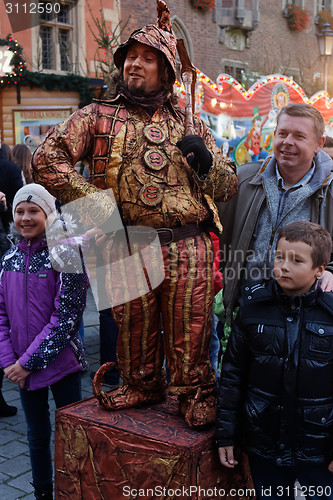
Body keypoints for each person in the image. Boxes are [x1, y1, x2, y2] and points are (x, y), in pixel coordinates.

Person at [32, 3, 238, 428]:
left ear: (166, 70)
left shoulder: (190, 121)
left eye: (148, 58)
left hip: (187, 241)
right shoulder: (96, 116)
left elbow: (228, 187)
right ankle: (142, 383)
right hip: (125, 241)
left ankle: (195, 391)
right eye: (130, 56)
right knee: (133, 326)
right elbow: (46, 159)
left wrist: (207, 162)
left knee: (192, 326)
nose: (135, 63)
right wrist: (99, 211)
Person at [216, 221, 333, 499]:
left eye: (296, 260)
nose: (284, 266)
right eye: (279, 256)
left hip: (317, 446)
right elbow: (232, 375)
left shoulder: (330, 316)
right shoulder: (253, 307)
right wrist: (226, 435)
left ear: (319, 269)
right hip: (263, 442)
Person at [0, 184, 89, 500]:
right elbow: (1, 316)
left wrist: (25, 363)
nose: (25, 218)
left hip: (61, 364)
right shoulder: (9, 258)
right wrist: (8, 361)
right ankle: (43, 494)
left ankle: (74, 491)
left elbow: (66, 318)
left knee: (72, 436)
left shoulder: (65, 253)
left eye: (33, 210)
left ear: (49, 213)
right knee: (36, 436)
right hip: (22, 368)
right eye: (19, 211)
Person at [218, 103, 333, 324]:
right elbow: (214, 226)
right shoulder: (244, 179)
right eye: (283, 133)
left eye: (299, 136)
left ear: (319, 144)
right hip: (245, 311)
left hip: (304, 319)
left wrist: (330, 271)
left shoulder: (330, 190)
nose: (288, 142)